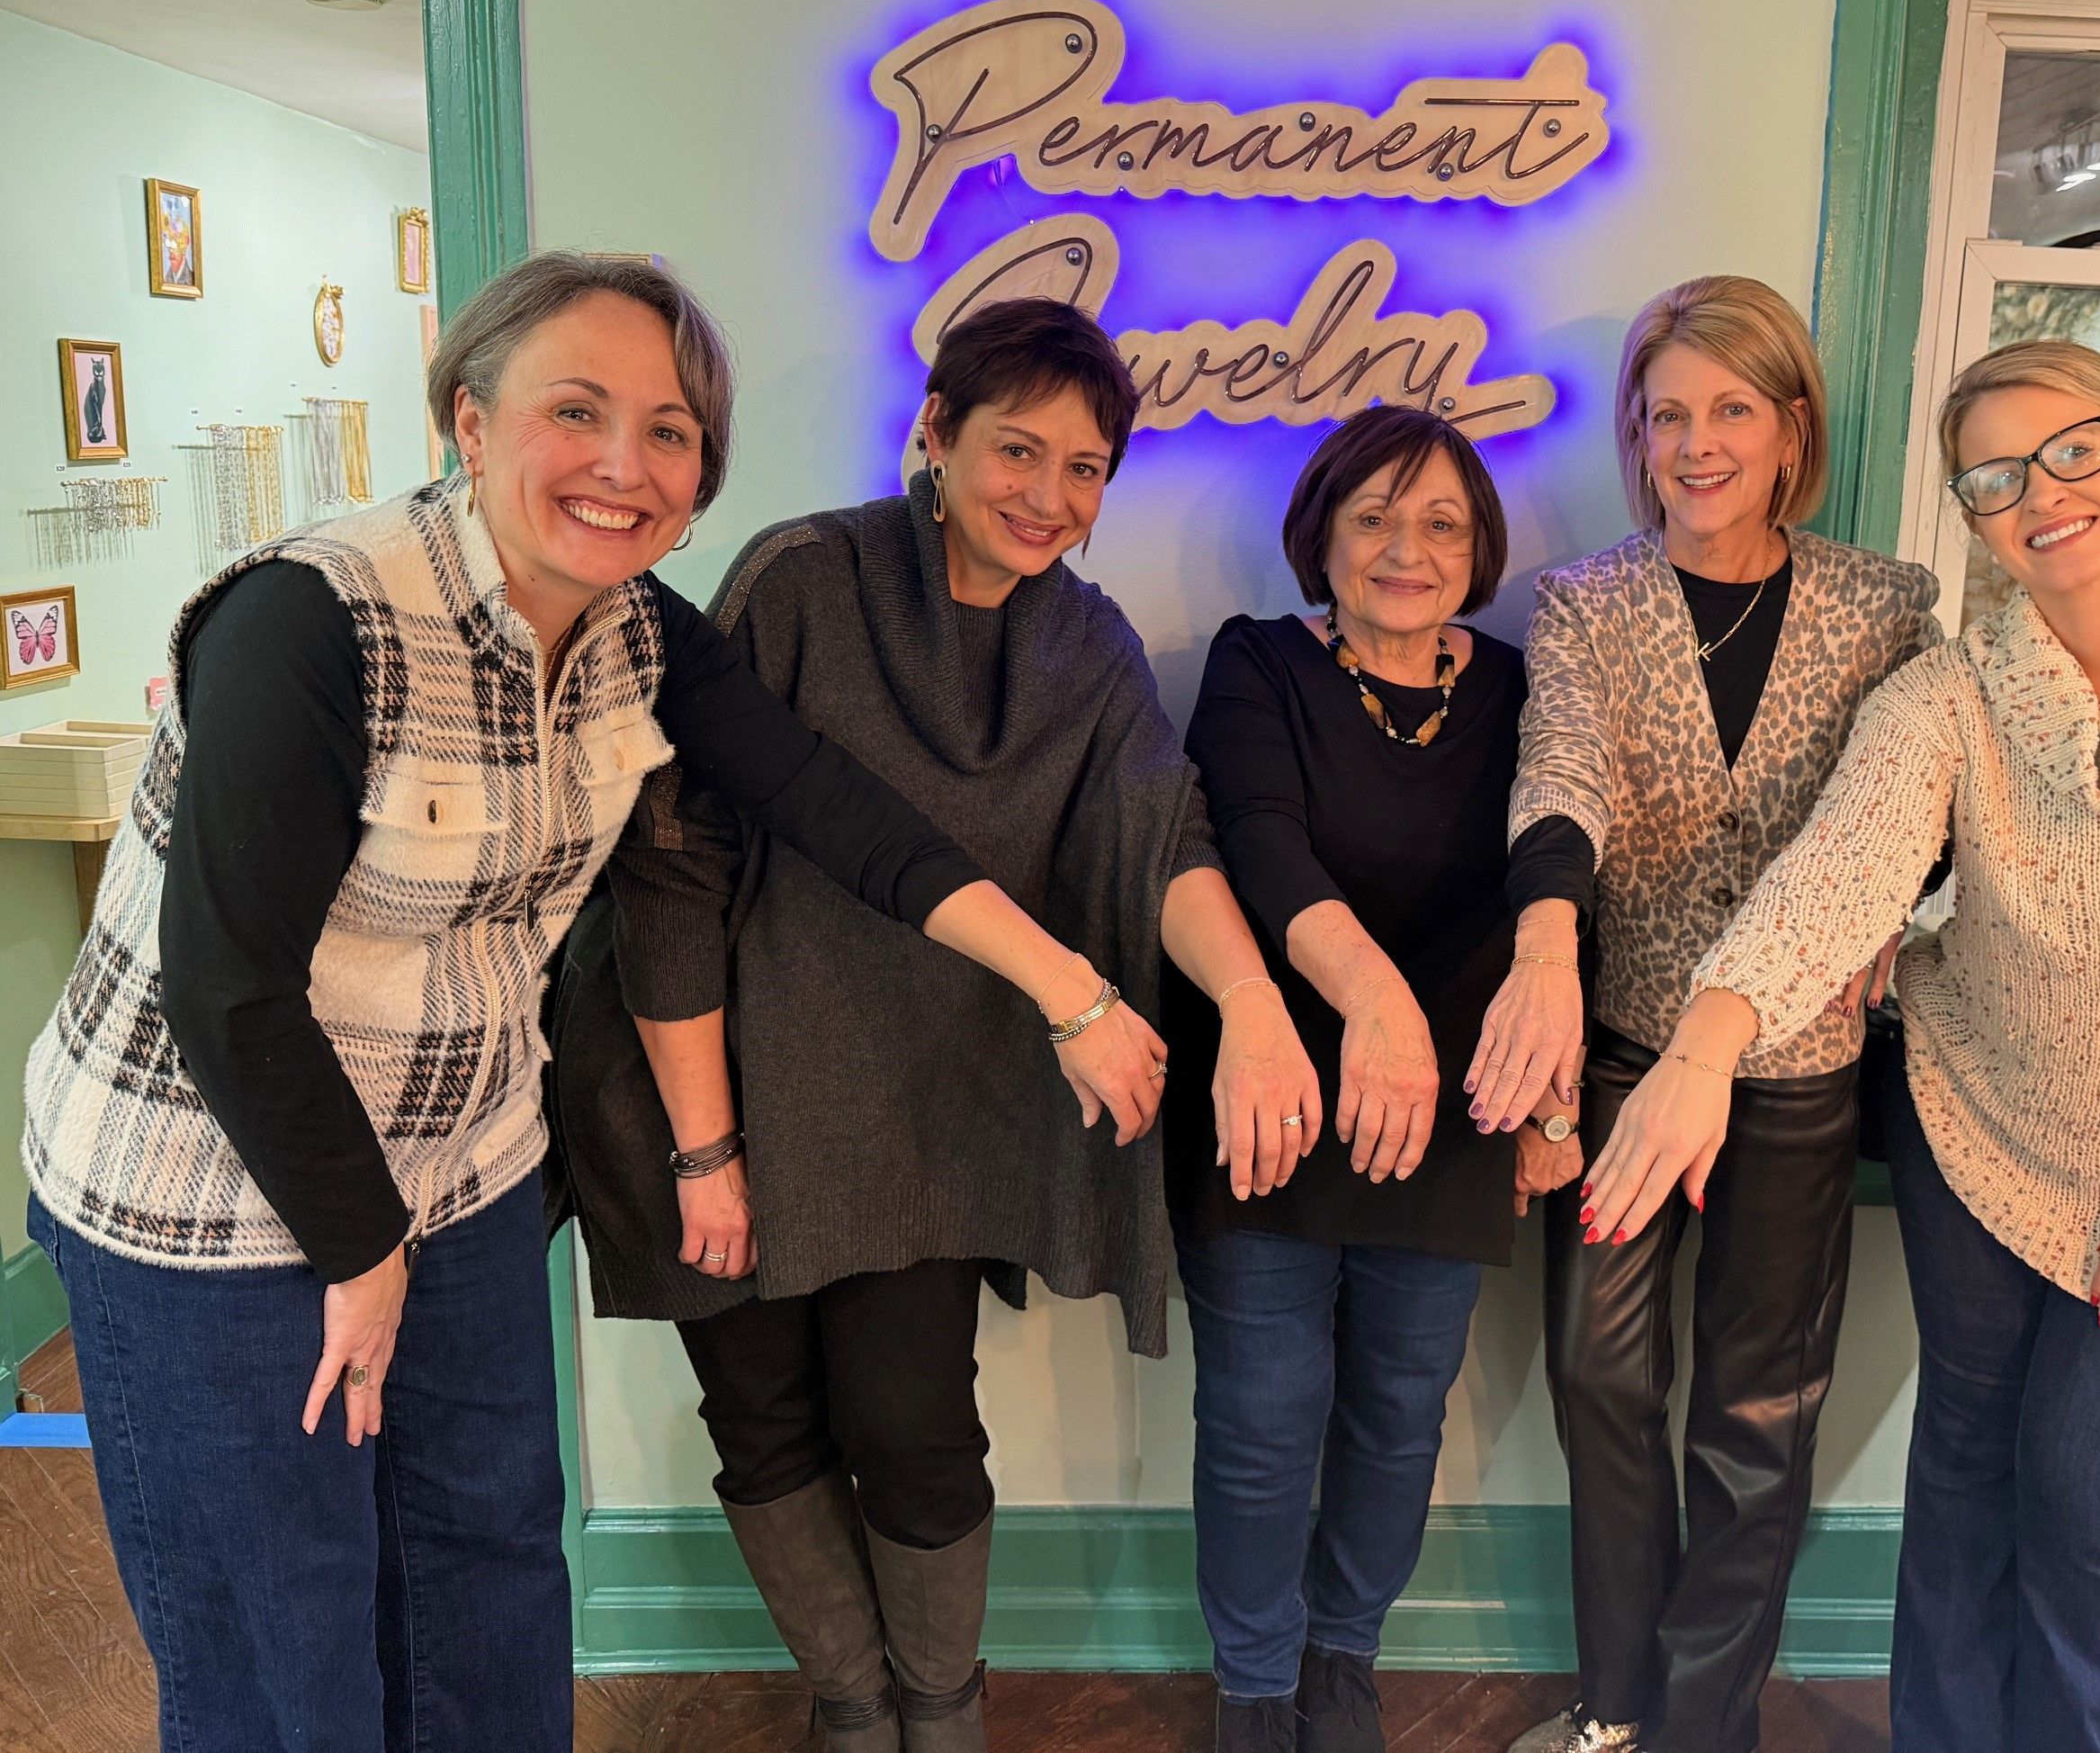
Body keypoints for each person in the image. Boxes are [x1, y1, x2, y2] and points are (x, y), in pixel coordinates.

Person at [19, 253, 1162, 1751]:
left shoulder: (639, 630)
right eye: (577, 410)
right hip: (214, 1195)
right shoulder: (312, 618)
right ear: (469, 416)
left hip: (466, 1169)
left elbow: (839, 812)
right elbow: (227, 990)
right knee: (286, 1639)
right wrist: (360, 1246)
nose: (625, 464)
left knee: (488, 1579)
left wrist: (1072, 991)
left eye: (669, 430)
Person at [1584, 340, 2100, 1753]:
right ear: (1974, 518)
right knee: (1966, 1465)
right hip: (1978, 1129)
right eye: (1994, 477)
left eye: (2071, 451)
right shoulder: (1951, 695)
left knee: (2088, 1486)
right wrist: (1701, 1048)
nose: (2040, 493)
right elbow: (1837, 878)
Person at [557, 297, 1319, 1753]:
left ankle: (941, 1714)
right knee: (764, 1419)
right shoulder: (804, 575)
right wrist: (705, 1146)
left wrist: (1251, 999)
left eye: (1086, 468)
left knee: (912, 1428)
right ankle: (854, 1711)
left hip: (913, 1112)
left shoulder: (1086, 643)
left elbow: (1161, 835)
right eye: (1018, 448)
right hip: (706, 1074)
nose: (1049, 495)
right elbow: (672, 859)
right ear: (936, 431)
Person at [1480, 276, 1941, 1753]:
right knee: (1600, 1375)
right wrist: (1545, 937)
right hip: (1624, 1055)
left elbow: (1922, 811)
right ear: (1636, 434)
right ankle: (1620, 1712)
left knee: (1758, 1412)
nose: (1696, 443)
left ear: (1792, 426)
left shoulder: (1885, 605)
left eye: (1731, 408)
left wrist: (1897, 911)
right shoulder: (1586, 603)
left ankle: (1699, 1727)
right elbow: (1561, 773)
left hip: (1797, 1071)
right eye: (1666, 413)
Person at [1160, 406, 1534, 1753]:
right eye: (1372, 517)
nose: (1404, 549)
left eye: (1440, 522)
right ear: (1320, 533)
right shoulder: (1256, 661)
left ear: (1479, 547)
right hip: (1273, 1092)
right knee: (1263, 1415)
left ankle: (1342, 1662)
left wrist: (1548, 1104)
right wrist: (1374, 1003)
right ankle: (1256, 1687)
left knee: (1397, 1417)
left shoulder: (1520, 688)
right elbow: (1257, 839)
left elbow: (1560, 887)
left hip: (1453, 1110)